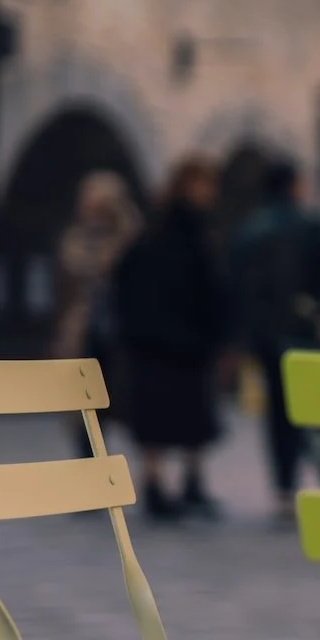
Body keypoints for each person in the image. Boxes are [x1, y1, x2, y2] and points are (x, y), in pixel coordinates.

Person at [114, 156, 229, 521]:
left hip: (165, 341)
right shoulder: (183, 233)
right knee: (165, 416)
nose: (210, 193)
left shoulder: (161, 230)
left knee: (179, 414)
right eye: (204, 185)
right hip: (171, 341)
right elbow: (209, 287)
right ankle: (159, 484)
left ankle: (182, 483)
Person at [228, 157, 320, 518]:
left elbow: (234, 286)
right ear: (294, 185)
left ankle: (284, 488)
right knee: (318, 412)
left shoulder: (248, 231)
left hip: (265, 337)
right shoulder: (314, 226)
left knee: (277, 411)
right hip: (306, 334)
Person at [50, 169, 140, 397]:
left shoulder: (127, 237)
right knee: (83, 395)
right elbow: (73, 268)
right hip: (83, 330)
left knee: (116, 392)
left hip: (121, 329)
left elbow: (134, 254)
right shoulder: (76, 239)